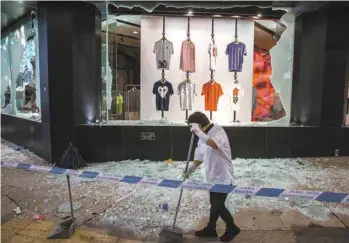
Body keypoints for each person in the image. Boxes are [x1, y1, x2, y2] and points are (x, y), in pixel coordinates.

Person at [184, 111, 240, 242]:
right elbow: (199, 159)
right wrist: (189, 171)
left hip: (223, 177)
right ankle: (211, 229)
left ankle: (232, 228)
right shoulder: (202, 138)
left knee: (218, 206)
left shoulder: (218, 131)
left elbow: (214, 144)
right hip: (211, 177)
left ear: (198, 125)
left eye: (193, 128)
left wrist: (198, 132)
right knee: (213, 204)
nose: (193, 131)